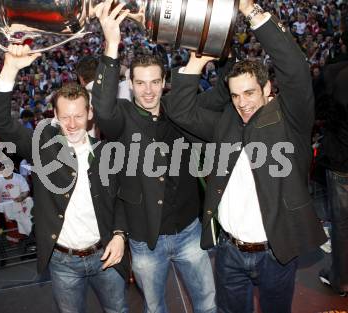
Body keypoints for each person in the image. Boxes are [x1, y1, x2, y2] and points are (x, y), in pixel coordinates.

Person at [164, 1, 327, 312]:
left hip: (275, 253)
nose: (242, 103)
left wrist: (250, 10)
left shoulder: (290, 119)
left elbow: (293, 67)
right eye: (236, 95)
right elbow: (180, 110)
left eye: (250, 92)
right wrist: (196, 63)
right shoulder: (226, 121)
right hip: (229, 251)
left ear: (268, 89)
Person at [92, 1, 222, 312]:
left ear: (165, 82)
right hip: (144, 239)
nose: (148, 91)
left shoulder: (182, 112)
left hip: (190, 230)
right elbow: (102, 108)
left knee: (207, 303)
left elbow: (221, 95)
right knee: (155, 308)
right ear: (130, 85)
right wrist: (111, 45)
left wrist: (213, 41)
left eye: (154, 82)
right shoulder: (120, 117)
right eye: (140, 83)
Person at [0, 46, 129, 313]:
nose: (72, 124)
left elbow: (121, 199)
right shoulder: (42, 148)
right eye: (65, 117)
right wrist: (10, 69)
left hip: (105, 255)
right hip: (63, 261)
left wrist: (120, 235)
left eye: (77, 116)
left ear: (90, 114)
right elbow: (0, 122)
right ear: (55, 117)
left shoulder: (107, 152)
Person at [317, 62, 348, 297]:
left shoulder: (333, 73)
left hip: (341, 160)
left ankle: (342, 280)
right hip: (340, 160)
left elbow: (317, 109)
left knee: (342, 224)